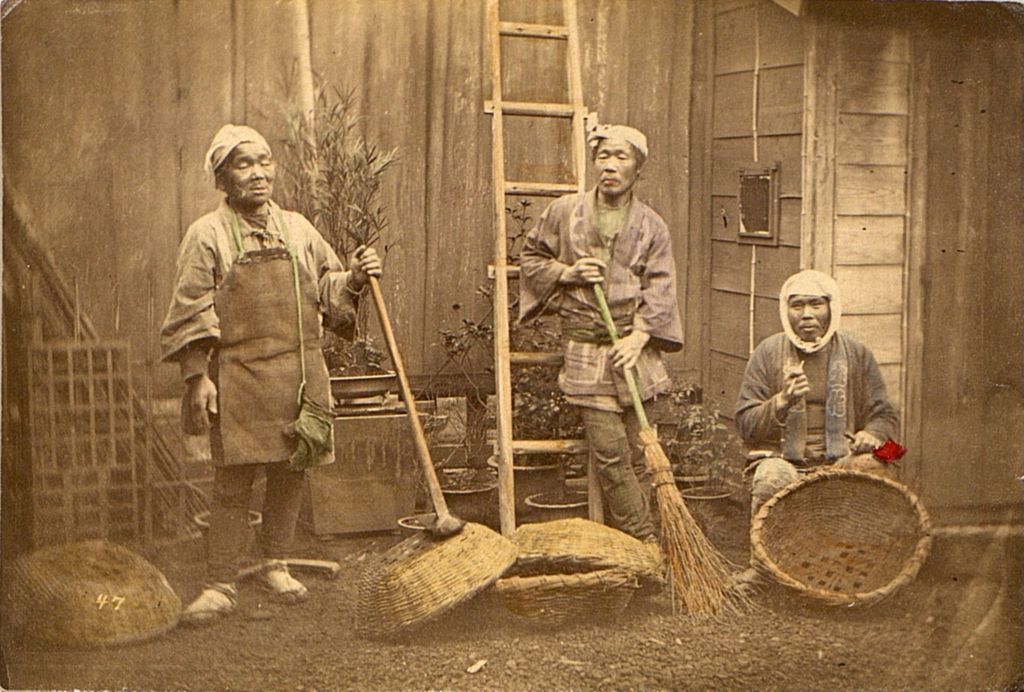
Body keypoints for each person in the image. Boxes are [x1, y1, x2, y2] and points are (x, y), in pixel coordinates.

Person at [160, 124, 382, 624]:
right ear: (222, 179)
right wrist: (199, 377)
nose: (259, 173)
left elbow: (328, 286)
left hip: (300, 371)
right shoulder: (207, 235)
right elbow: (190, 310)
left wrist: (356, 278)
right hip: (238, 375)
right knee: (234, 481)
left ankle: (275, 562)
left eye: (264, 161)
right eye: (244, 164)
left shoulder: (299, 228)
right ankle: (219, 582)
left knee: (290, 469)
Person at [519, 122, 684, 542]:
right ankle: (643, 538)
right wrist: (567, 272)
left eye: (621, 157)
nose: (610, 166)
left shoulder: (652, 227)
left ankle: (656, 537)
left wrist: (640, 336)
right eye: (603, 156)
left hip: (635, 354)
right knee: (610, 455)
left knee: (646, 454)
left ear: (638, 168)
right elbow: (531, 258)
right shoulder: (563, 212)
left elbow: (661, 287)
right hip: (587, 352)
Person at [732, 269, 900, 590]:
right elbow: (745, 424)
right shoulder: (767, 353)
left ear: (831, 308)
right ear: (785, 310)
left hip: (840, 459)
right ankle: (763, 570)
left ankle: (856, 566)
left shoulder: (856, 353)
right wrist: (780, 401)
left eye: (815, 305)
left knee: (873, 467)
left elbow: (885, 415)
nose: (807, 315)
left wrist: (873, 434)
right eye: (797, 306)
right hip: (784, 458)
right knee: (771, 477)